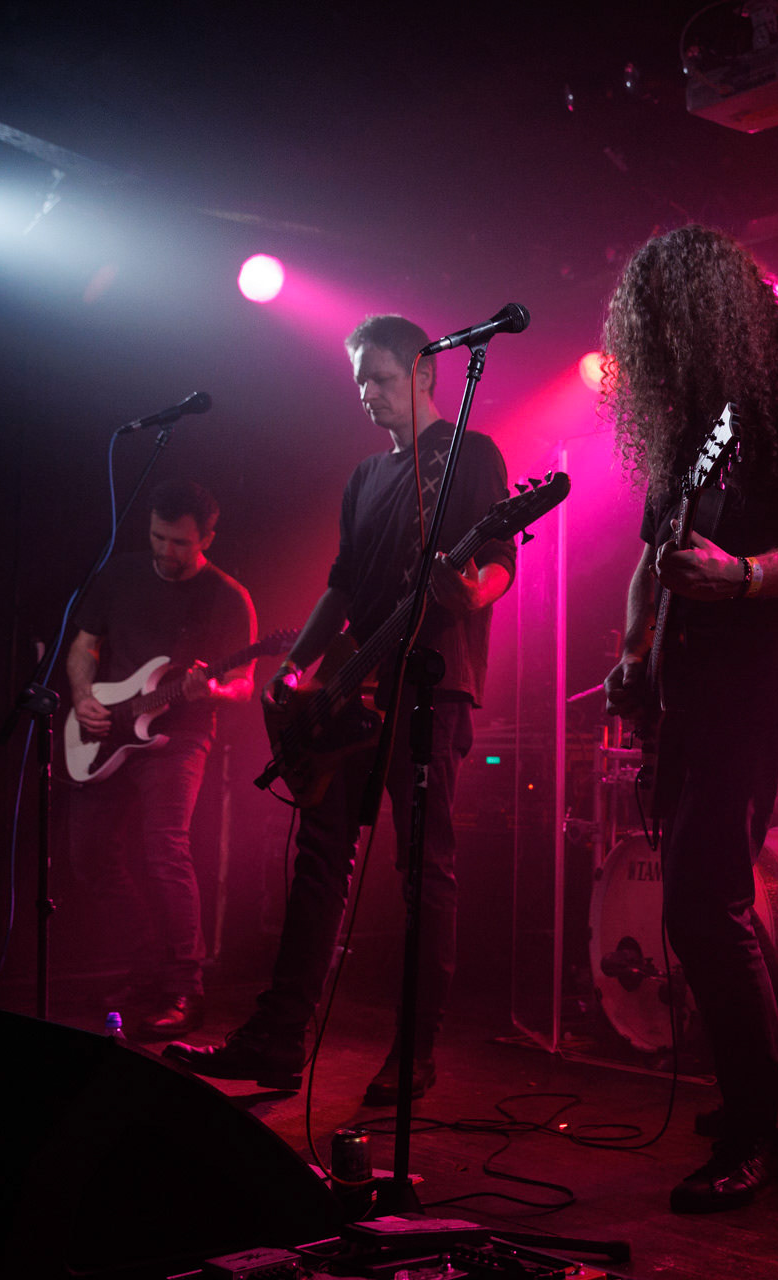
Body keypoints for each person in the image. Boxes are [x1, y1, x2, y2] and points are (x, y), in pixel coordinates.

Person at [166, 314, 514, 1104]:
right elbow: (343, 584)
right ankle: (278, 1039)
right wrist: (294, 667)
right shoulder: (365, 478)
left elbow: (498, 561)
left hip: (432, 685)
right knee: (318, 861)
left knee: (424, 871)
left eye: (382, 378)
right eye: (358, 379)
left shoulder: (469, 455)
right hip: (352, 687)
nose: (366, 393)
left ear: (427, 375)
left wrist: (472, 591)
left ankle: (413, 1054)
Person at [601, 226, 778, 1213]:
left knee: (699, 901)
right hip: (688, 692)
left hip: (760, 687)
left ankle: (756, 1131)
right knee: (716, 894)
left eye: (670, 324)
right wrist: (633, 653)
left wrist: (744, 574)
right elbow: (651, 555)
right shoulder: (697, 427)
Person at [67, 479, 256, 1037]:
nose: (165, 552)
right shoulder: (120, 574)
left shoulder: (227, 596)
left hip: (179, 736)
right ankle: (146, 965)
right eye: (157, 537)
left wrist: (211, 692)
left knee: (164, 849)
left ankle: (183, 987)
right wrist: (82, 698)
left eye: (179, 543)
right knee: (90, 856)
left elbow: (243, 685)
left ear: (208, 538)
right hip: (109, 729)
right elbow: (83, 646)